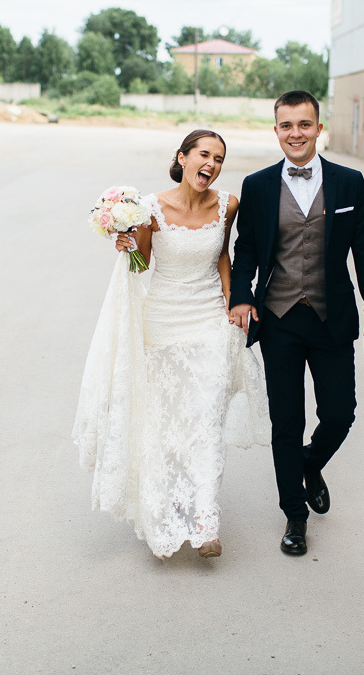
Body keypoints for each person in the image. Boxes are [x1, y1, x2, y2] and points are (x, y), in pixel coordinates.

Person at [74, 129, 269, 559]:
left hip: (209, 322)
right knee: (166, 422)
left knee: (206, 420)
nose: (212, 165)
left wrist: (234, 303)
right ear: (182, 157)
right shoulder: (151, 207)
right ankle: (163, 511)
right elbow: (143, 263)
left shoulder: (228, 204)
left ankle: (206, 523)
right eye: (204, 155)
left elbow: (223, 255)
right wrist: (125, 243)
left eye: (219, 158)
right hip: (162, 321)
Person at [228, 91, 364, 556]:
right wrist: (242, 297)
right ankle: (294, 517)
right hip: (277, 320)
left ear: (320, 128)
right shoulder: (258, 186)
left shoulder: (349, 182)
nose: (295, 133)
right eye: (286, 125)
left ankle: (308, 464)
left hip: (331, 318)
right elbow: (246, 254)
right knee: (286, 421)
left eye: (304, 124)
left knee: (339, 413)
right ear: (275, 130)